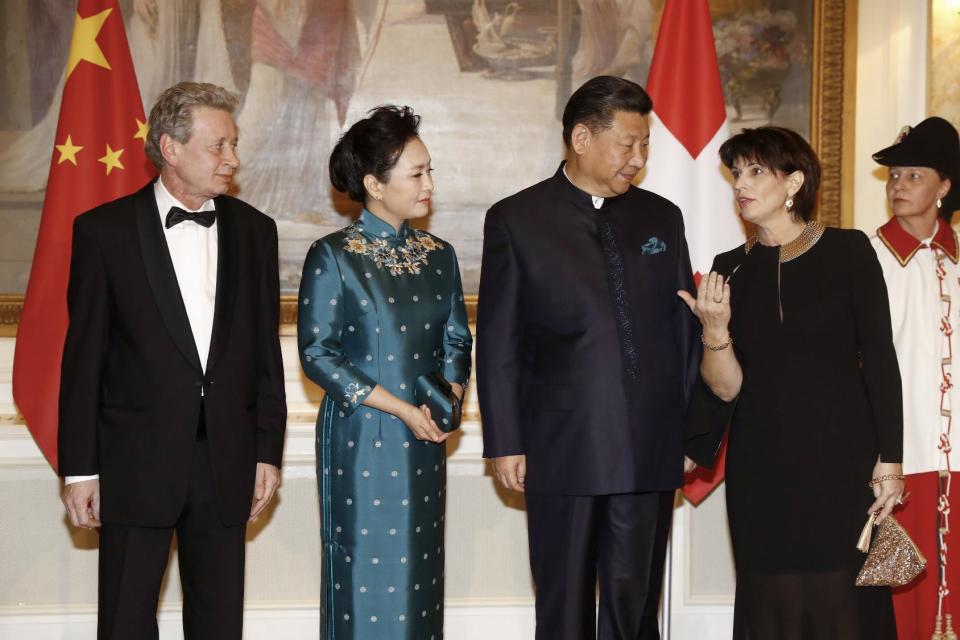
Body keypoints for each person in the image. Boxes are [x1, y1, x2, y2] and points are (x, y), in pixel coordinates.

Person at [58, 81, 287, 639]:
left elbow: (265, 355)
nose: (232, 159)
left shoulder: (256, 231)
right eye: (218, 146)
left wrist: (266, 451)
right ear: (170, 147)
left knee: (218, 622)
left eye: (233, 145)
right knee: (125, 620)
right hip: (133, 463)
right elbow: (83, 360)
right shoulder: (102, 232)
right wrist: (80, 468)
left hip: (227, 460)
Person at [477, 75, 701, 640]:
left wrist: (690, 435)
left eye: (645, 144)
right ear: (581, 137)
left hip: (650, 446)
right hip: (561, 445)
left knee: (634, 606)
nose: (639, 158)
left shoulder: (661, 218)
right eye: (627, 143)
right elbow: (499, 341)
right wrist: (505, 440)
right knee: (564, 605)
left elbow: (684, 333)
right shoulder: (516, 219)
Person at [681, 126, 904, 639]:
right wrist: (714, 329)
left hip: (842, 463)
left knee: (841, 602)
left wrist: (889, 461)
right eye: (736, 173)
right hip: (762, 466)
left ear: (794, 182)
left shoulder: (849, 251)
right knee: (771, 603)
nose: (741, 183)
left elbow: (880, 359)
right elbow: (726, 386)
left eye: (757, 171)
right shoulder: (727, 270)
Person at [298, 105, 473, 639]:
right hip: (363, 435)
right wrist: (402, 410)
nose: (428, 185)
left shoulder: (438, 254)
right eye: (416, 174)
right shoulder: (333, 256)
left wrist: (450, 400)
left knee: (418, 570)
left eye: (428, 171)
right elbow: (318, 353)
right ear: (374, 183)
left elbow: (456, 338)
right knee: (363, 570)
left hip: (426, 435)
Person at [868, 116, 960, 638]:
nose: (899, 186)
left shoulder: (957, 262)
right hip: (899, 459)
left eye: (914, 175)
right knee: (898, 603)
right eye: (895, 176)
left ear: (944, 186)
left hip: (958, 458)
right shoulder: (865, 258)